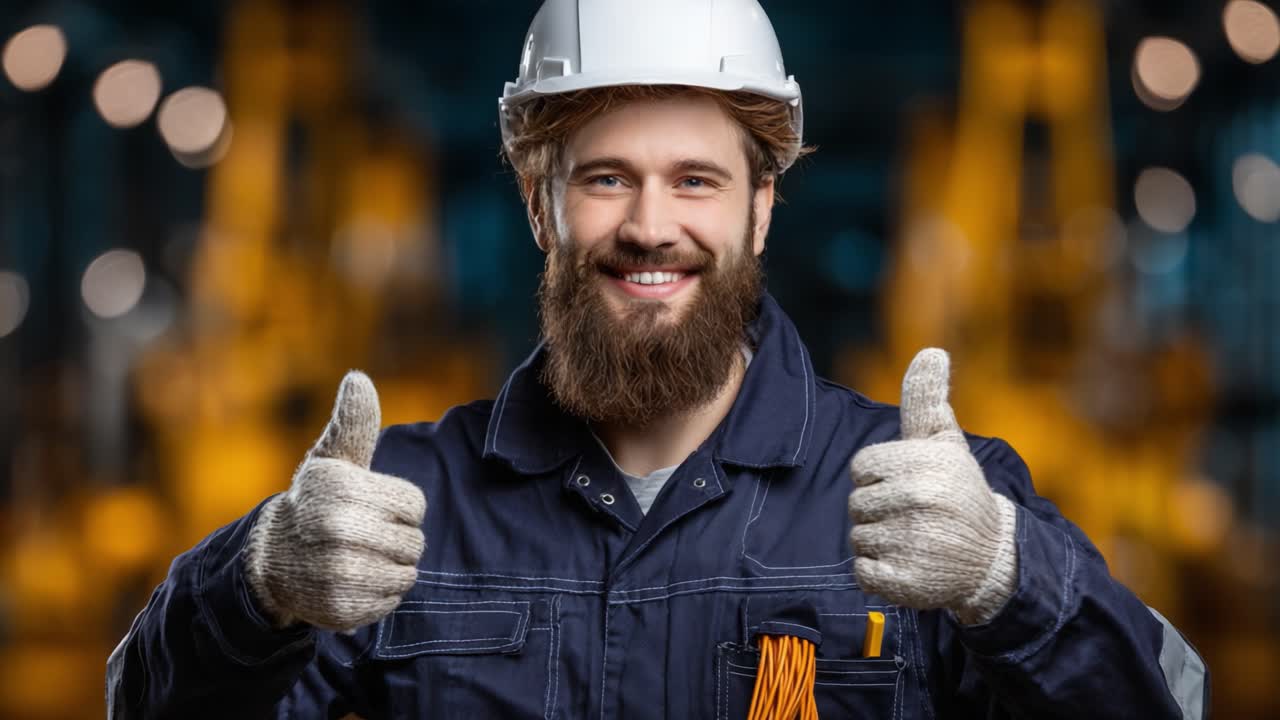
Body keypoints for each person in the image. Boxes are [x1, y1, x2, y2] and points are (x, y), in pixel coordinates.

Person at [106, 0, 1208, 717]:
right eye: (603, 178)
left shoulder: (923, 499)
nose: (648, 225)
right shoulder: (398, 511)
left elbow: (1164, 702)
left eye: (694, 179)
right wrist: (249, 587)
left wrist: (1009, 581)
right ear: (542, 208)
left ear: (760, 210)